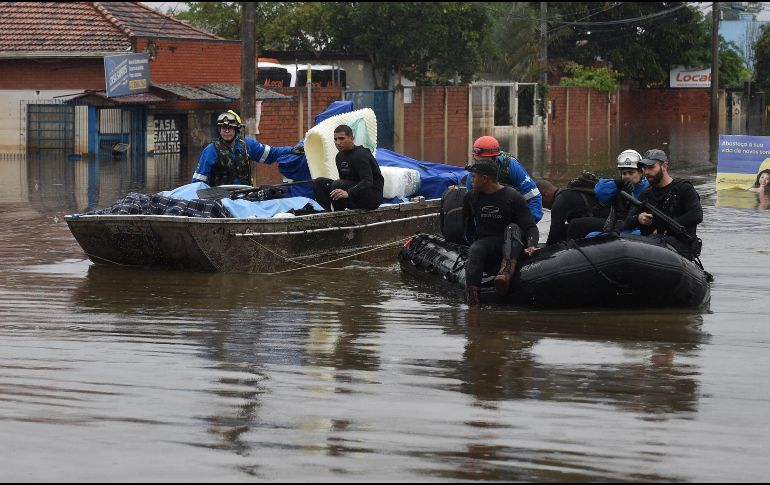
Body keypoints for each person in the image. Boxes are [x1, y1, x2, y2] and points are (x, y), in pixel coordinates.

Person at [463, 158, 539, 306]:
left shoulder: (513, 196)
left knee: (512, 228)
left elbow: (530, 227)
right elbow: (467, 229)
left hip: (513, 244)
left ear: (485, 179)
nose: (470, 180)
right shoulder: (470, 197)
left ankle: (505, 275)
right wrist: (471, 252)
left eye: (473, 176)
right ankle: (473, 303)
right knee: (476, 248)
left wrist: (531, 244)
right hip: (489, 245)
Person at [622, 149, 703, 258]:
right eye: (645, 168)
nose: (646, 172)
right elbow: (626, 222)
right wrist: (638, 218)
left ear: (664, 166)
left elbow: (696, 215)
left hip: (680, 248)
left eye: (651, 168)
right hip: (650, 246)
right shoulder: (645, 194)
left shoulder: (684, 189)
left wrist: (664, 228)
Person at [192, 110, 303, 186]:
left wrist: (291, 150)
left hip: (245, 195)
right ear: (219, 130)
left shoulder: (247, 145)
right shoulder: (210, 151)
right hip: (219, 198)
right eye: (224, 128)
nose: (226, 131)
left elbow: (271, 154)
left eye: (230, 128)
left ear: (237, 130)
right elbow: (197, 182)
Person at [566, 149, 650, 239]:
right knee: (583, 230)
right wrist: (617, 183)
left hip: (636, 230)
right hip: (617, 226)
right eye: (624, 173)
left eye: (631, 173)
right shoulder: (618, 185)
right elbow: (600, 193)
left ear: (641, 172)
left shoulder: (647, 187)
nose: (627, 176)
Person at [465, 135, 543, 223]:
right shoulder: (472, 175)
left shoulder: (511, 167)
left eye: (484, 163)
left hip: (512, 210)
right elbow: (470, 208)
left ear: (495, 159)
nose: (480, 167)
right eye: (477, 162)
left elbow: (534, 197)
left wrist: (526, 225)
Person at [312, 124, 384, 211]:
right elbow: (344, 180)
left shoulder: (361, 155)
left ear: (351, 138)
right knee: (318, 182)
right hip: (354, 194)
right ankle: (328, 213)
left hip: (372, 197)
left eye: (341, 138)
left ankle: (339, 216)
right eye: (335, 139)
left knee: (338, 185)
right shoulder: (339, 157)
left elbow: (367, 181)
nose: (338, 142)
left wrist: (348, 193)